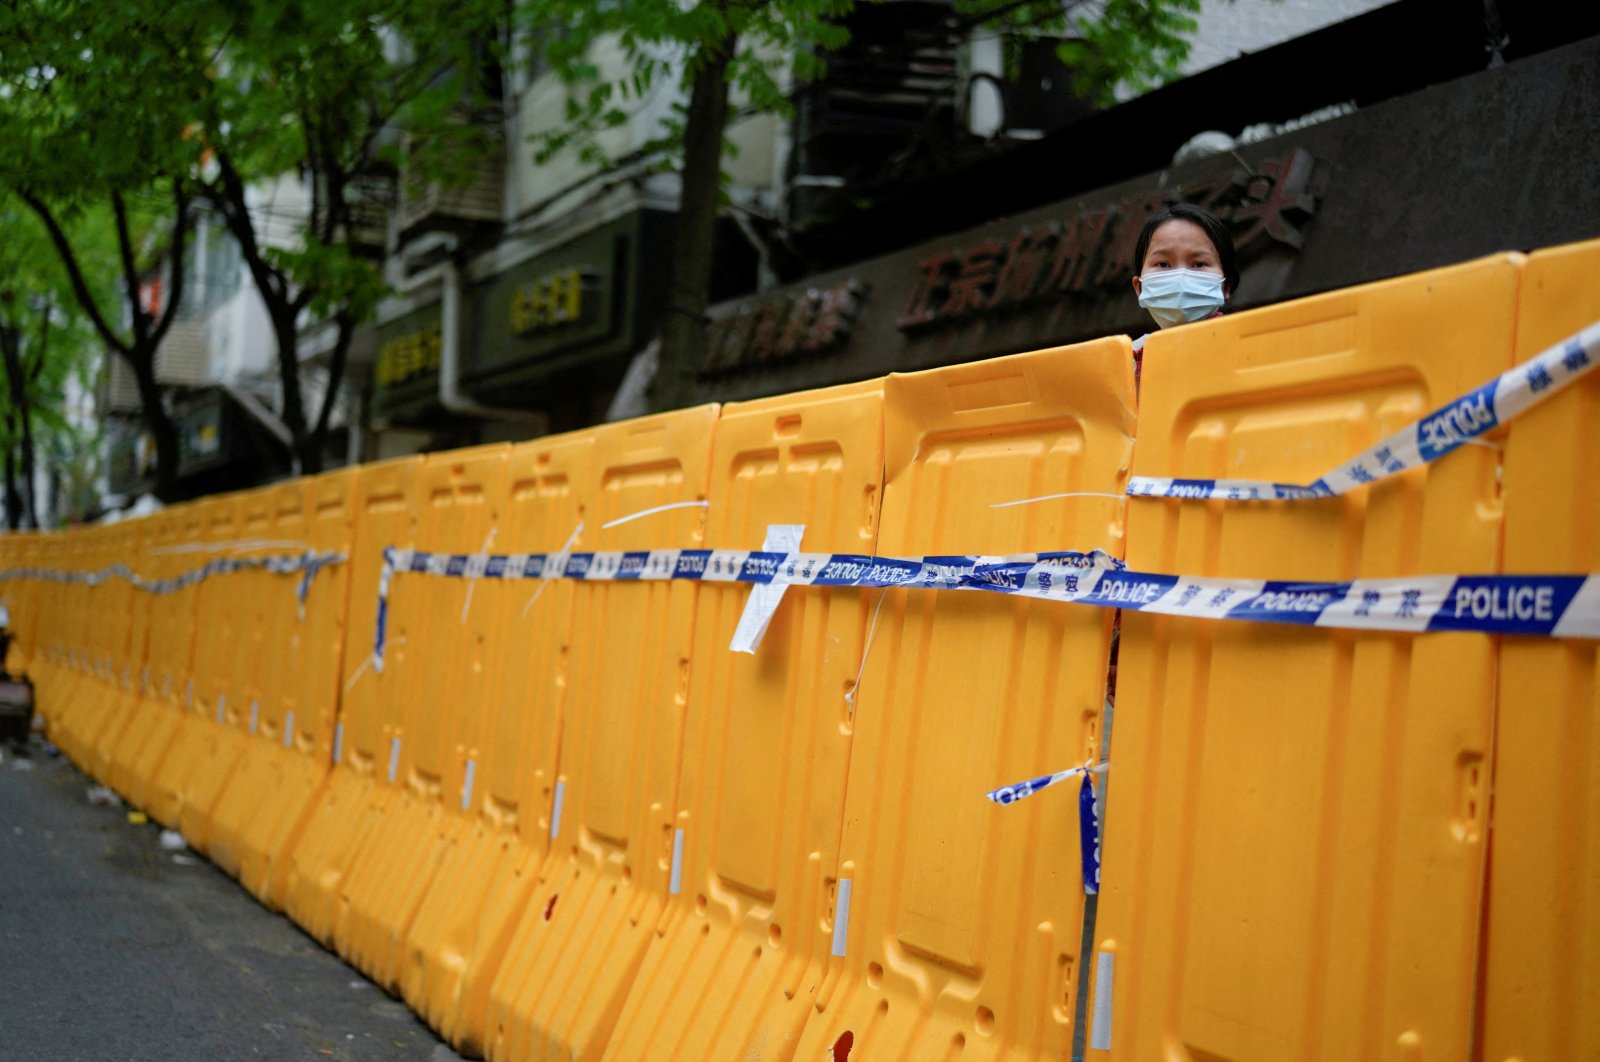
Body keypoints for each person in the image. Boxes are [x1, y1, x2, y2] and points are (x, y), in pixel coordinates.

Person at [1128, 203, 1239, 379]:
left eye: (1198, 264)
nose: (1181, 276)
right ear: (1139, 287)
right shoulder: (1128, 362)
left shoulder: (1246, 345)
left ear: (1226, 286)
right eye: (1163, 264)